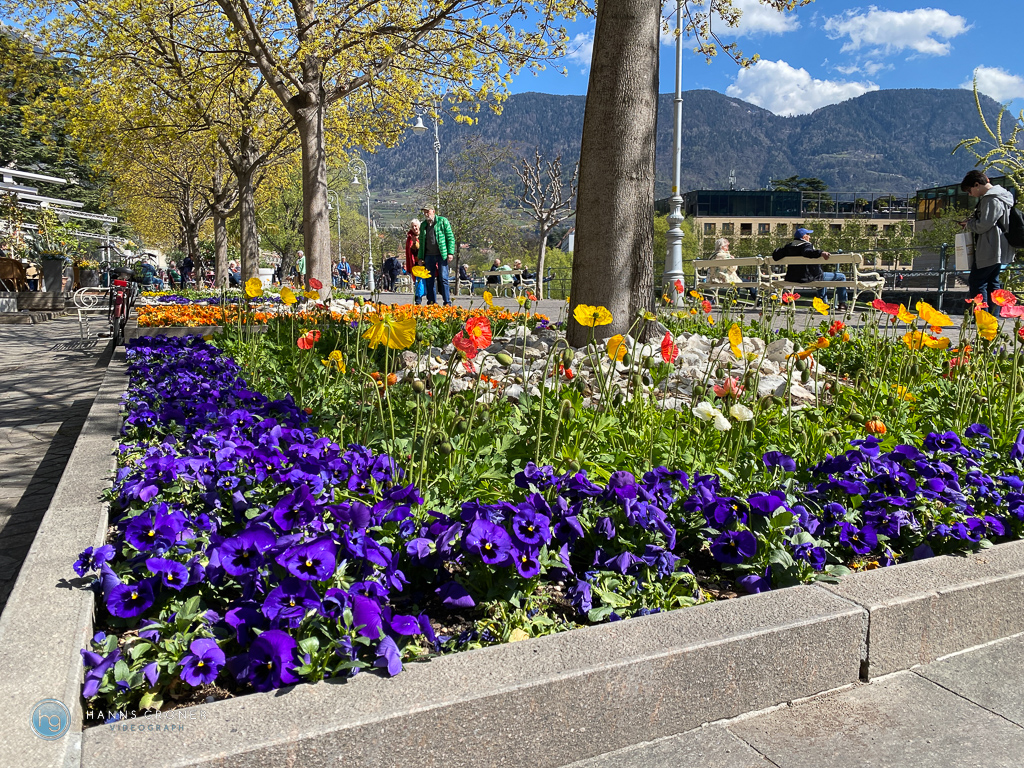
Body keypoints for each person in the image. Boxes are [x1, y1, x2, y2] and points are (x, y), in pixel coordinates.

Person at [961, 170, 1015, 307]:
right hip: (999, 246)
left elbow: (984, 225)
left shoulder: (991, 199)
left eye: (969, 190)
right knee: (992, 283)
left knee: (977, 282)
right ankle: (992, 320)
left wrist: (969, 224)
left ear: (977, 184)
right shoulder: (1003, 196)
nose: (970, 194)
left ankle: (982, 318)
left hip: (990, 246)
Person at [772, 227, 847, 311]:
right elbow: (807, 252)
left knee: (820, 275)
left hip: (792, 277)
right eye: (808, 234)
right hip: (807, 277)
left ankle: (823, 303)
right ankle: (842, 304)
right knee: (841, 277)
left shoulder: (789, 247)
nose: (809, 237)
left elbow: (775, 256)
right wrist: (821, 253)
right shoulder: (806, 245)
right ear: (803, 237)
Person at [417, 203, 455, 305]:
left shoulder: (443, 221)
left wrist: (450, 253)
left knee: (443, 278)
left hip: (441, 255)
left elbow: (450, 238)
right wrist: (420, 257)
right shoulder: (424, 225)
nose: (426, 214)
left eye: (427, 211)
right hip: (429, 255)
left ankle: (447, 302)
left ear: (433, 212)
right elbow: (421, 242)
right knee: (429, 279)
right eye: (424, 212)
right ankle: (432, 302)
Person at [405, 219, 424, 304]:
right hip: (416, 263)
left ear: (419, 226)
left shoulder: (424, 235)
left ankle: (431, 300)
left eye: (415, 226)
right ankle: (418, 300)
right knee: (418, 281)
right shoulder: (410, 237)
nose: (414, 228)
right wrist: (414, 244)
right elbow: (411, 251)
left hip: (425, 261)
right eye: (412, 226)